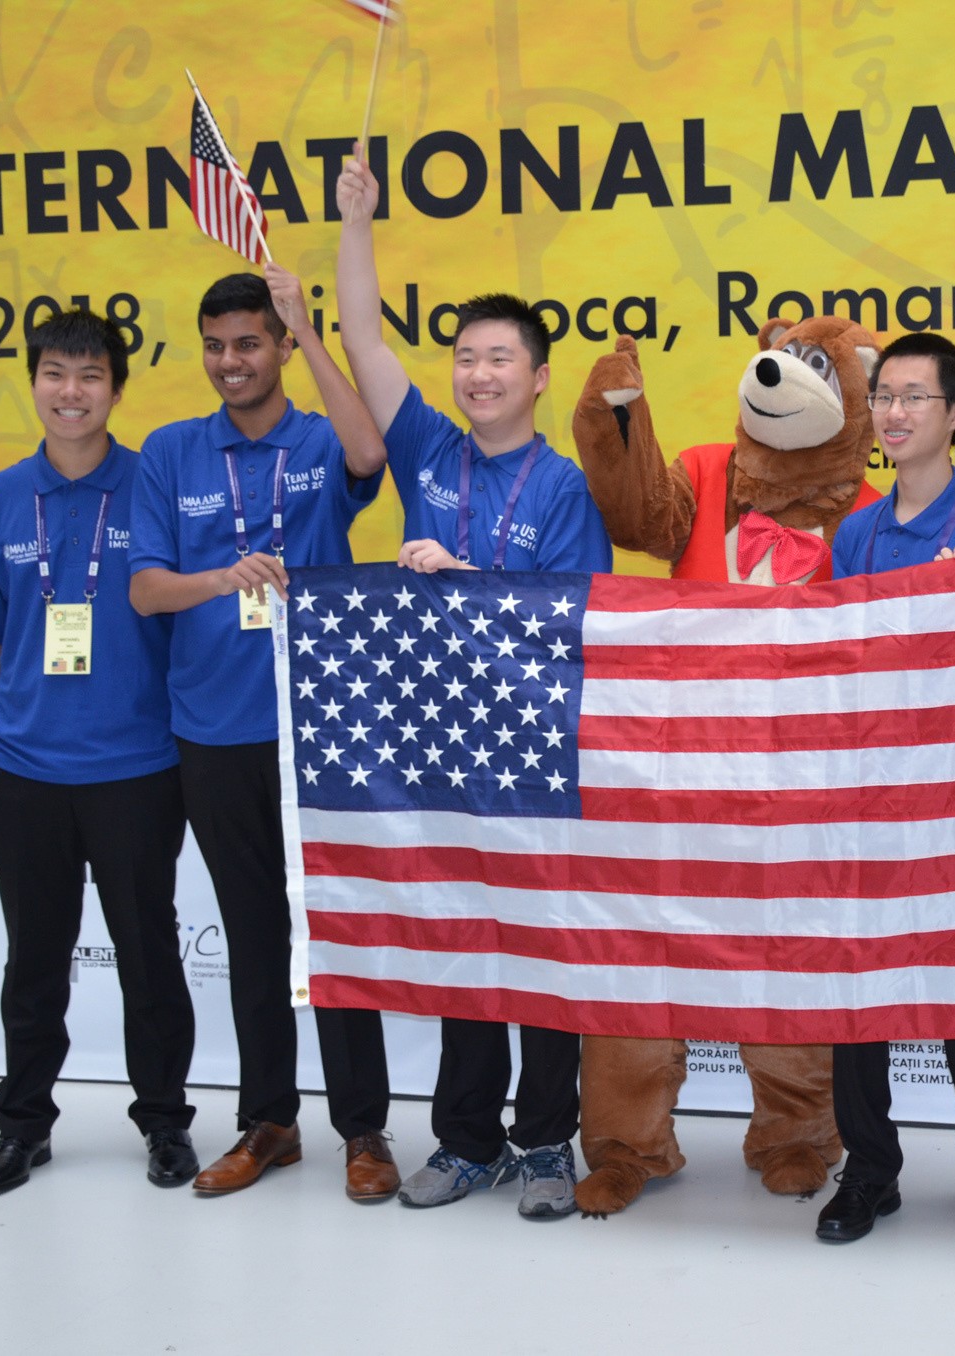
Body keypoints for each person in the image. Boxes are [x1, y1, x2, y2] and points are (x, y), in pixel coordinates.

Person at [335, 150, 612, 1218]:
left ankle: (544, 1143)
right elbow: (364, 339)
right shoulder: (426, 452)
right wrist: (357, 222)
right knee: (458, 941)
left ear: (537, 378)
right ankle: (465, 1141)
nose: (478, 373)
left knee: (538, 948)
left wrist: (467, 580)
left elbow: (577, 621)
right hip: (435, 740)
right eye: (465, 357)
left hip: (531, 745)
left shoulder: (562, 485)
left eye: (500, 358)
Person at [129, 269, 394, 1200]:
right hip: (213, 730)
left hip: (319, 723)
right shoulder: (171, 452)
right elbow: (144, 589)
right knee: (252, 933)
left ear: (277, 347)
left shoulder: (318, 439)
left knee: (336, 931)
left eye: (248, 343)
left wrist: (308, 331)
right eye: (215, 346)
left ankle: (364, 1130)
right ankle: (270, 1121)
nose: (230, 362)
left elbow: (371, 449)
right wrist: (224, 577)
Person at [0, 310, 196, 1195]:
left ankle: (164, 1122)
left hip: (140, 767)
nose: (71, 391)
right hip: (22, 770)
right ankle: (22, 1127)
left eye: (90, 375)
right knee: (34, 957)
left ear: (116, 389)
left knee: (148, 953)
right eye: (55, 373)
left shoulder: (154, 486)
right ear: (34, 383)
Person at [813, 332, 955, 1243]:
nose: (893, 414)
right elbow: (830, 666)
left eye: (914, 397)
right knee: (859, 989)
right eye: (883, 397)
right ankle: (870, 1167)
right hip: (864, 799)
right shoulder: (855, 534)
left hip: (954, 804)